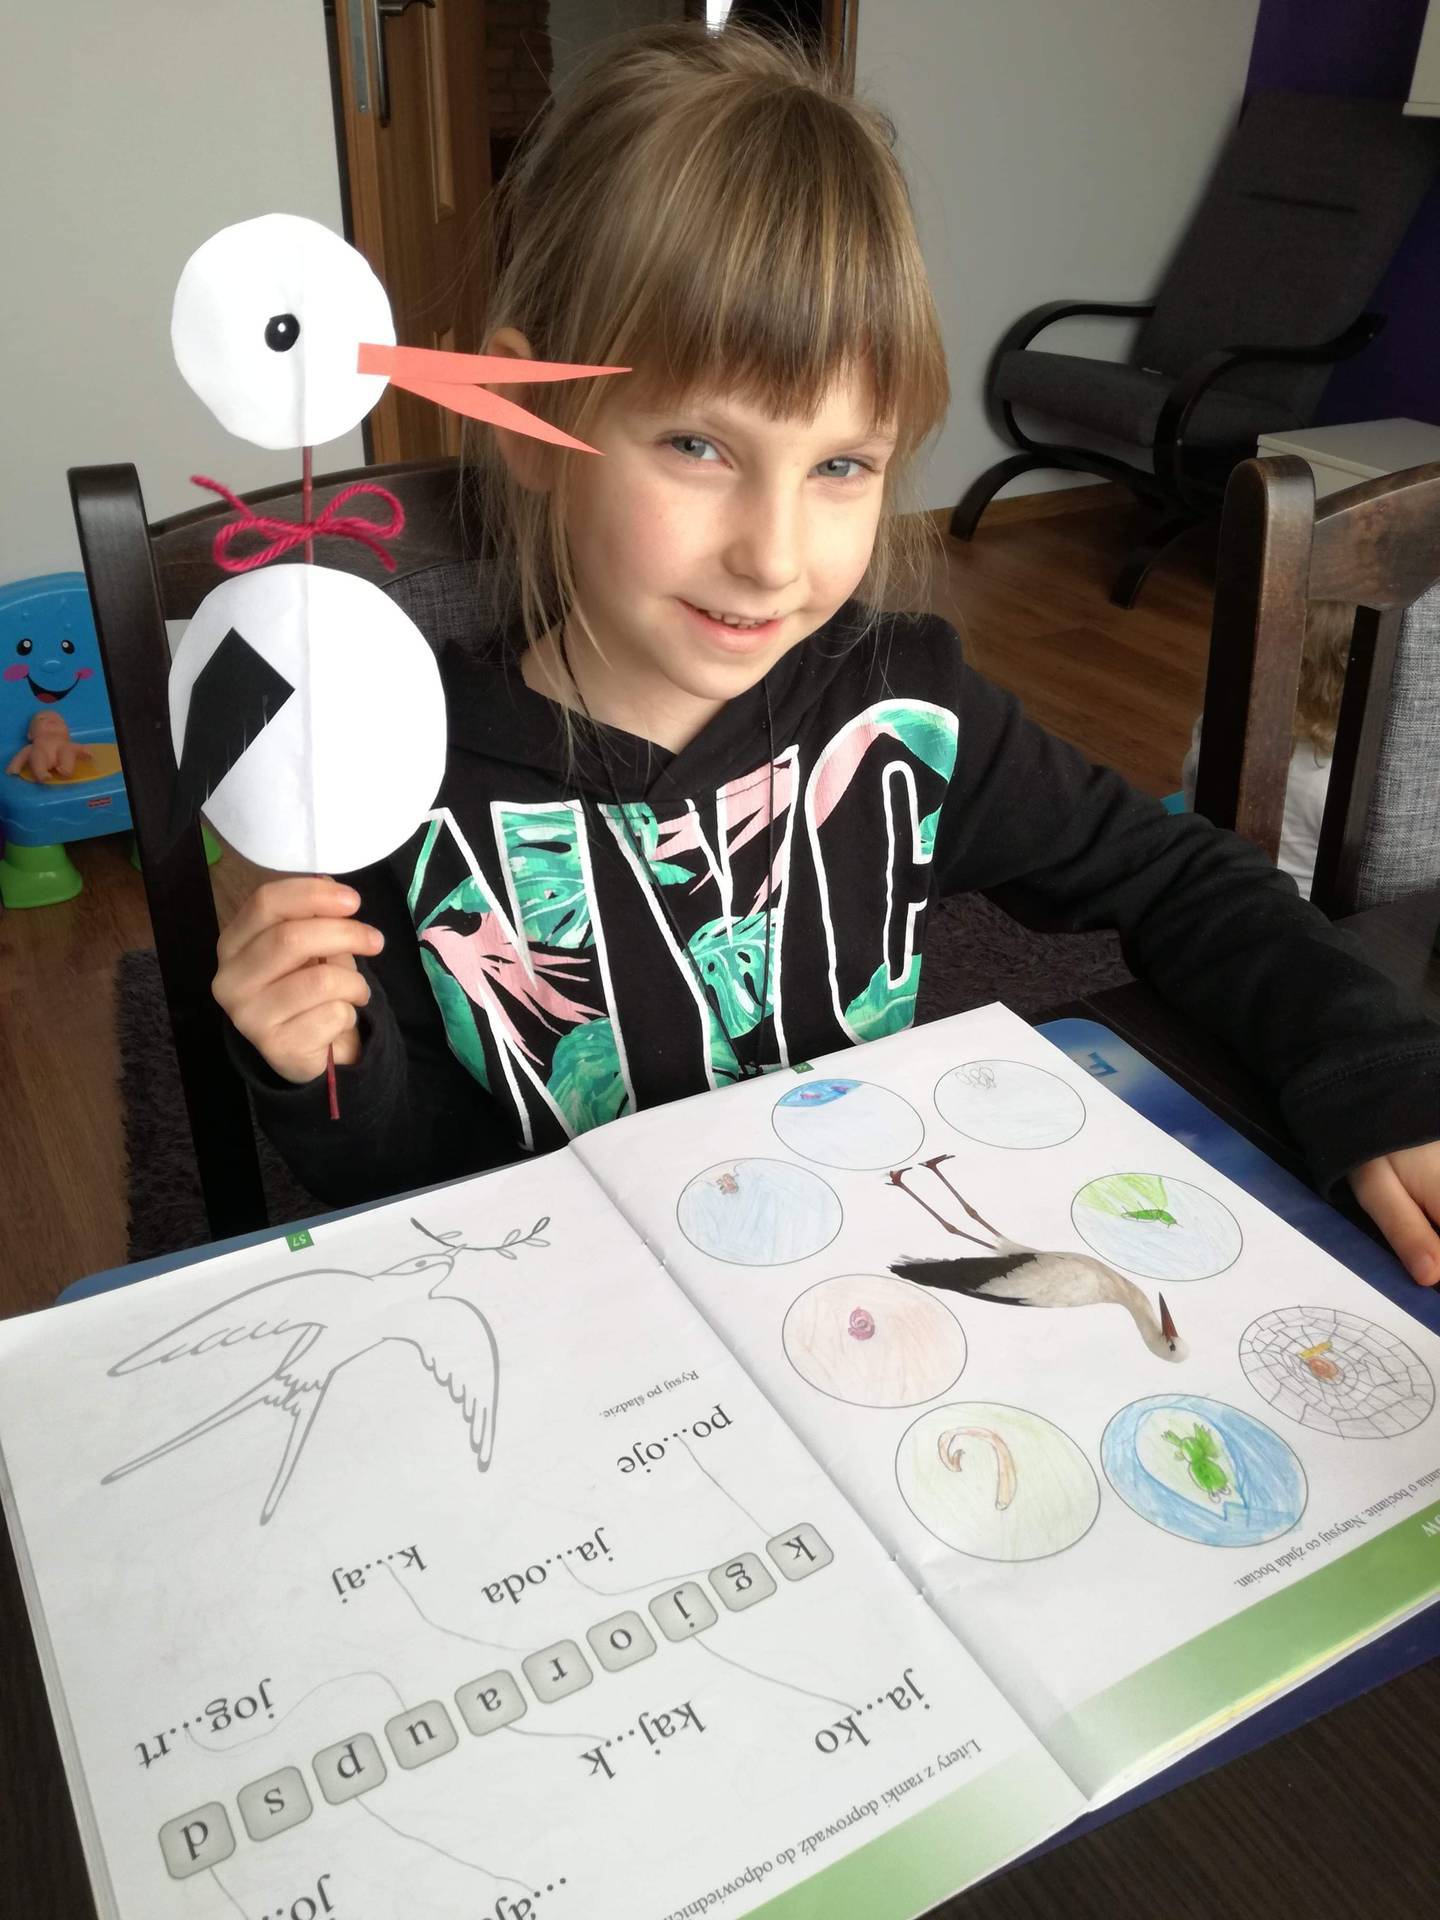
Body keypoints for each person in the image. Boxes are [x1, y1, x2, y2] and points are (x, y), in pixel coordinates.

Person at [213, 24, 1440, 1285]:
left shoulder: (905, 709)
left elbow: (1177, 877)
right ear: (532, 419)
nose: (774, 556)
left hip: (863, 1296)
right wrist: (324, 1069)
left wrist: (1371, 1068)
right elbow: (408, 1186)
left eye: (842, 464)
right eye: (699, 447)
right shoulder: (393, 786)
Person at [1181, 600, 1351, 900]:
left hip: (1205, 879)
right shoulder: (1334, 778)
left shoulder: (1216, 721)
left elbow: (1192, 787)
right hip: (1297, 910)